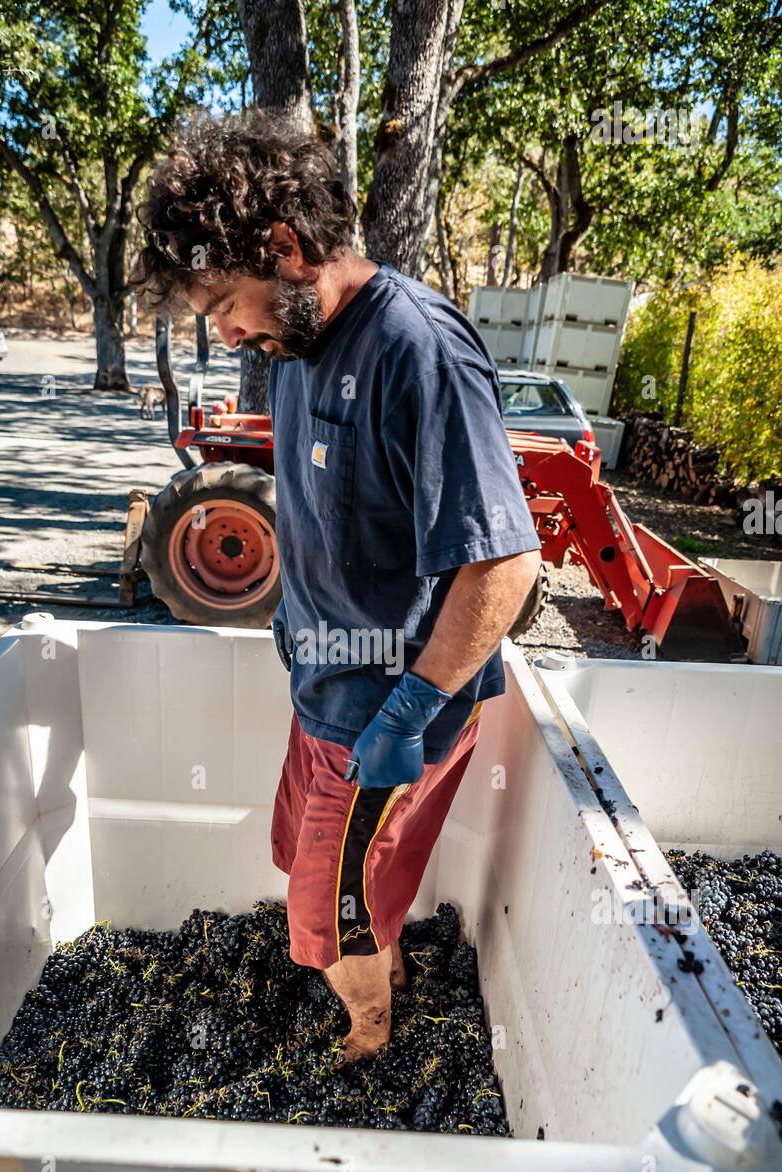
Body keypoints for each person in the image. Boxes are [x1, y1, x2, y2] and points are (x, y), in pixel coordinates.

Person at [133, 111, 541, 1065]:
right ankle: (384, 974)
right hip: (325, 693)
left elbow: (505, 561)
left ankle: (369, 1046)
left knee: (332, 916)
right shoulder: (293, 349)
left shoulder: (416, 350)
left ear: (284, 247)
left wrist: (410, 708)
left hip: (387, 716)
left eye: (227, 300)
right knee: (314, 873)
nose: (227, 328)